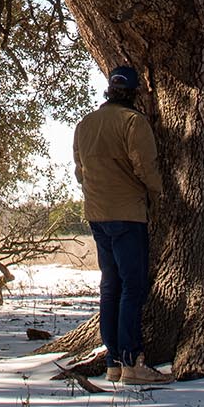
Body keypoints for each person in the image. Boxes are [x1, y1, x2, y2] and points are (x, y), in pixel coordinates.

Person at [72, 63, 173, 384]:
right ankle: (132, 363)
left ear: (109, 90)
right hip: (128, 214)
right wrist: (162, 192)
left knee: (110, 286)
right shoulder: (134, 122)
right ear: (134, 94)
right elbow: (146, 166)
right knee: (134, 287)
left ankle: (114, 361)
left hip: (97, 214)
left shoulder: (85, 124)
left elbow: (79, 171)